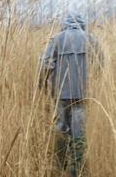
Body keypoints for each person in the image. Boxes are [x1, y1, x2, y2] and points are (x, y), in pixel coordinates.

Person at [39, 11, 102, 176]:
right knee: (78, 133)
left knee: (60, 129)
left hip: (60, 94)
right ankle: (76, 171)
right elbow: (99, 63)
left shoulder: (57, 39)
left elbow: (45, 62)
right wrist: (91, 80)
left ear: (65, 23)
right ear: (82, 24)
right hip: (82, 95)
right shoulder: (91, 39)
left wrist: (43, 83)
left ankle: (59, 168)